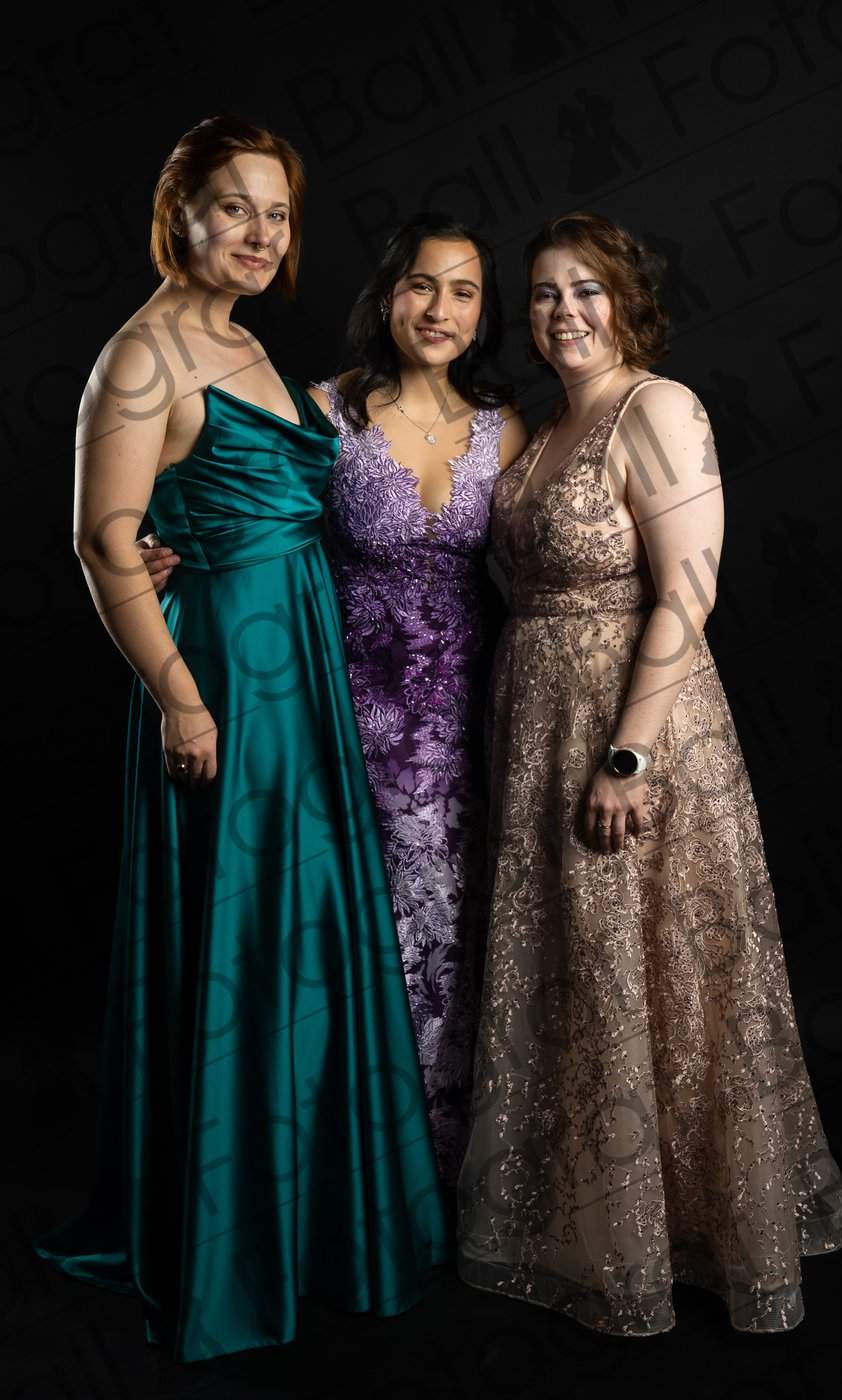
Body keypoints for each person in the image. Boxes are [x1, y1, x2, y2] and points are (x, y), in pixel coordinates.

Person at [32, 115, 449, 1365]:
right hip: (224, 675)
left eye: (276, 213)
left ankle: (312, 1217)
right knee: (241, 931)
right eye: (234, 207)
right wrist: (179, 697)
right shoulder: (141, 355)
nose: (260, 234)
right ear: (181, 214)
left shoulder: (244, 340)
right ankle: (230, 1242)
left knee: (302, 928)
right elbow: (102, 538)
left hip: (297, 661)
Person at [456, 211, 842, 1336]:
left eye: (585, 289)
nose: (564, 312)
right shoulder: (541, 425)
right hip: (536, 728)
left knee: (660, 973)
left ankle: (693, 1234)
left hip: (635, 729)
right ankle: (596, 1218)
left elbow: (689, 586)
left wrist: (626, 756)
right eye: (543, 293)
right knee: (583, 968)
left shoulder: (657, 407)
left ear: (627, 299)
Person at [142, 215, 529, 1190]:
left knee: (466, 920)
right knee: (360, 927)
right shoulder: (321, 411)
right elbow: (243, 508)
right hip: (341, 700)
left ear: (483, 314)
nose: (439, 309)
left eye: (464, 292)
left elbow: (545, 557)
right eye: (421, 285)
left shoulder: (507, 427)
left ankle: (459, 1168)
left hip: (470, 712)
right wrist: (166, 543)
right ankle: (364, 1170)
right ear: (388, 294)